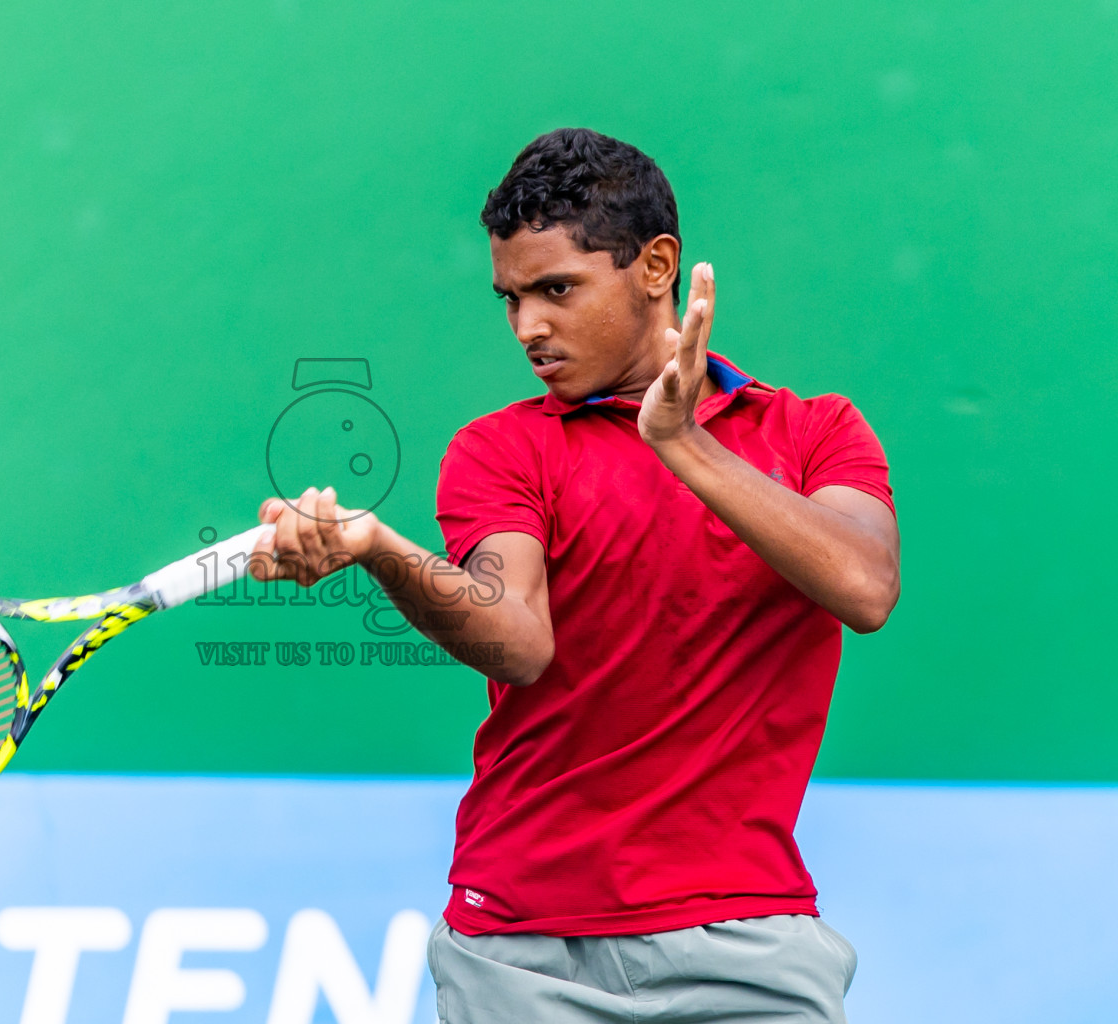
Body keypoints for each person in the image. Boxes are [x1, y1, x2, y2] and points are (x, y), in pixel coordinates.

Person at [249, 127, 899, 1023]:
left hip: (746, 939)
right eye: (510, 299)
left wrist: (683, 444)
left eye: (557, 289)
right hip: (521, 951)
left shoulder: (815, 431)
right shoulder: (500, 449)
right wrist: (376, 548)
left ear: (656, 265)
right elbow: (515, 641)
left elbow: (864, 587)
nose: (529, 327)